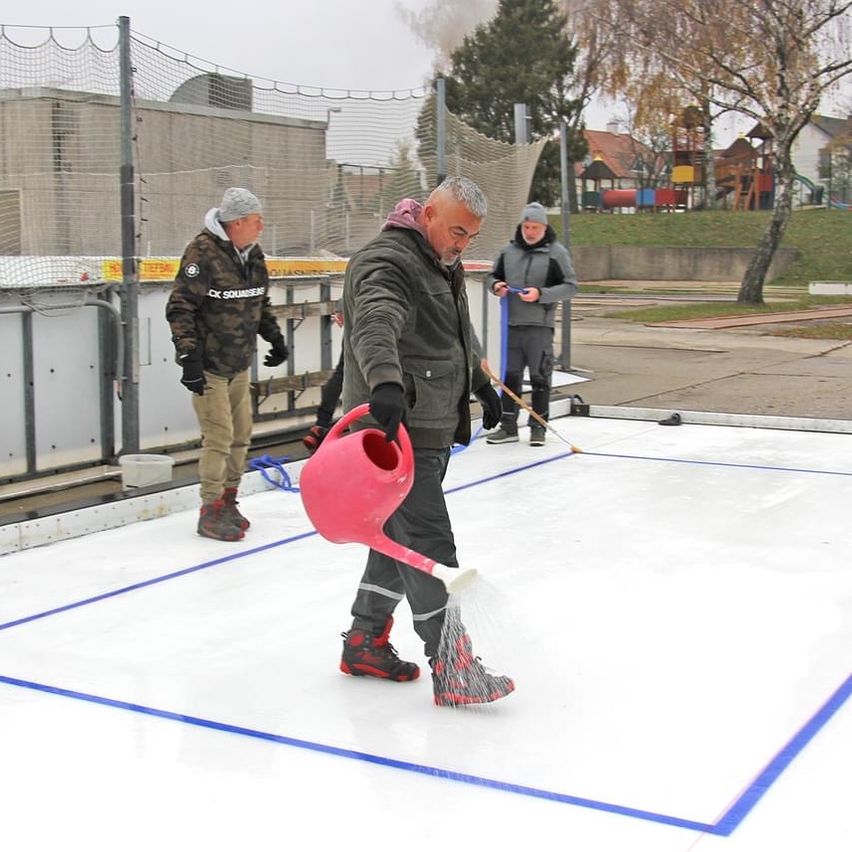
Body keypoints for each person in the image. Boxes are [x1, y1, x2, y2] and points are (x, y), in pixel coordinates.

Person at [338, 176, 514, 708]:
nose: (463, 244)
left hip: (431, 424)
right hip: (396, 433)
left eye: (471, 237)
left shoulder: (441, 259)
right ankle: (453, 664)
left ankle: (366, 641)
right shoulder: (389, 260)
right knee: (428, 544)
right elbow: (375, 321)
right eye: (457, 231)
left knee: (398, 539)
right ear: (429, 213)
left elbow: (458, 331)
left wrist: (481, 382)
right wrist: (385, 382)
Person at [166, 187, 288, 541]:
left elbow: (257, 300)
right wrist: (188, 356)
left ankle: (228, 499)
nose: (261, 226)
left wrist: (274, 337)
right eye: (255, 221)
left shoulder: (252, 255)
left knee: (241, 435)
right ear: (236, 223)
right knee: (219, 436)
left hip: (238, 362)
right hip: (209, 365)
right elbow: (180, 308)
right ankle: (210, 509)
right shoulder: (202, 253)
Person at [485, 202, 578, 446]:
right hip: (512, 327)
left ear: (544, 227)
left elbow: (570, 286)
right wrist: (496, 286)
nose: (530, 231)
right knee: (510, 377)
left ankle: (538, 427)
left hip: (539, 327)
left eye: (535, 227)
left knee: (540, 377)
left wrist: (541, 294)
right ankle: (508, 427)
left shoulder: (556, 253)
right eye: (526, 226)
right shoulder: (509, 251)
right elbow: (492, 276)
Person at [302, 304, 344, 454]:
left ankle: (321, 424)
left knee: (341, 373)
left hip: (358, 320)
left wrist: (342, 307)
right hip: (382, 321)